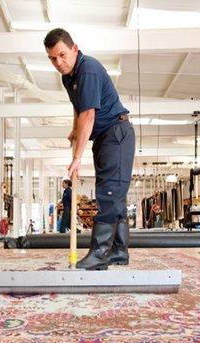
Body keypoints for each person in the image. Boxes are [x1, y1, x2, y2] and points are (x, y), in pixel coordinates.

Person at [44, 28, 135, 270]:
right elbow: (78, 107)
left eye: (62, 55)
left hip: (116, 133)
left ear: (75, 49)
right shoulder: (68, 77)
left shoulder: (89, 70)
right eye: (53, 58)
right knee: (114, 194)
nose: (59, 63)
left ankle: (99, 255)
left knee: (108, 194)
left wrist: (77, 157)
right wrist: (75, 129)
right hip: (105, 137)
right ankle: (118, 252)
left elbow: (88, 113)